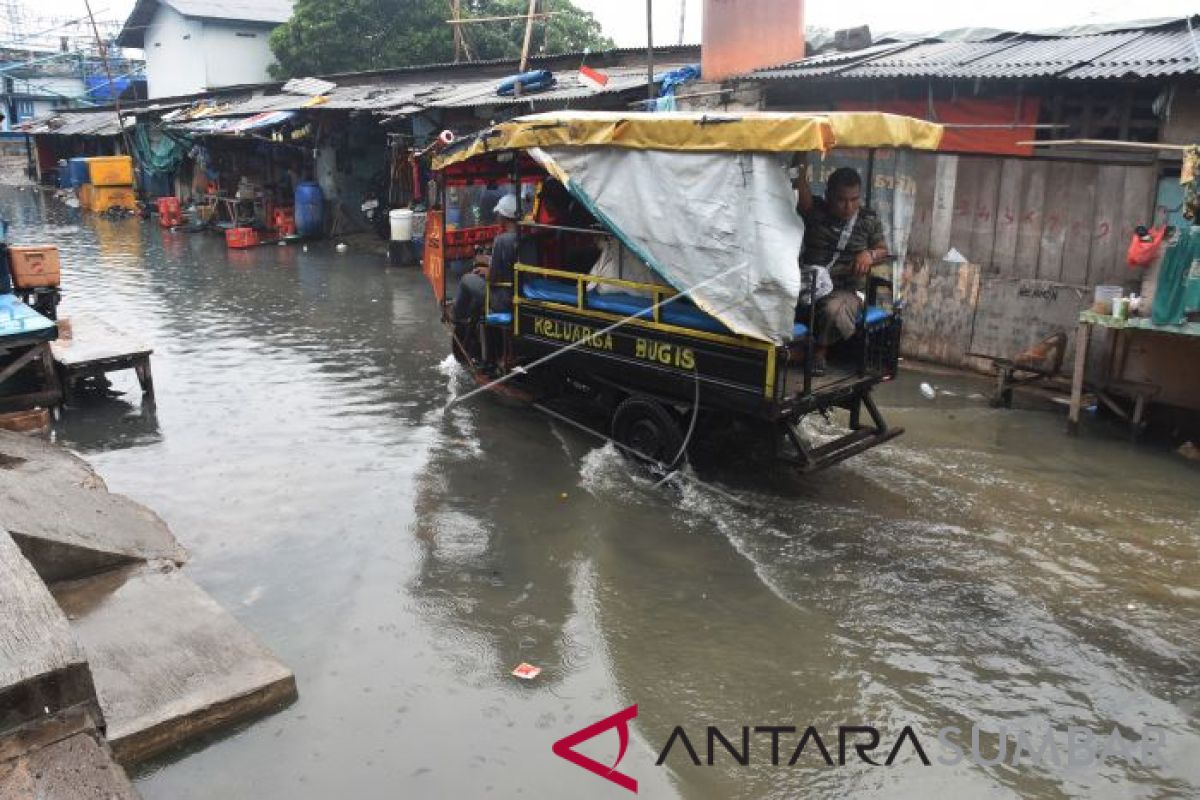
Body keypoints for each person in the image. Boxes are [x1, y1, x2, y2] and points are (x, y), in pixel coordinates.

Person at [794, 165, 888, 375]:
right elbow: (801, 190)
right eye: (842, 200)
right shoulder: (815, 211)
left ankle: (819, 352)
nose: (848, 206)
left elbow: (883, 250)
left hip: (844, 290)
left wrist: (869, 255)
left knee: (833, 310)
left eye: (854, 200)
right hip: (808, 282)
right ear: (828, 196)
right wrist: (801, 158)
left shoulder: (868, 220)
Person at [452, 193, 520, 327]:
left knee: (466, 279)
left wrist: (485, 270)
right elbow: (510, 263)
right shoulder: (524, 236)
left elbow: (492, 278)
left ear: (503, 217)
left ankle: (458, 317)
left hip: (502, 297)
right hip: (517, 291)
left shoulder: (502, 240)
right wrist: (488, 264)